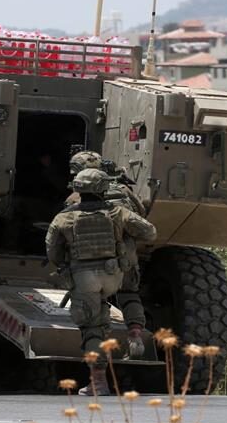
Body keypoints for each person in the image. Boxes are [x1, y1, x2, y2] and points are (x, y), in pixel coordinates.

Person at [46, 168, 157, 396]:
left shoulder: (63, 217)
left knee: (92, 328)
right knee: (127, 294)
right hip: (113, 275)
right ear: (103, 189)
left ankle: (98, 383)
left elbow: (53, 252)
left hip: (84, 279)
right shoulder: (117, 212)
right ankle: (134, 332)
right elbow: (150, 233)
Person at [65, 151, 149, 359]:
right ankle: (135, 333)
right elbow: (141, 215)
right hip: (126, 254)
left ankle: (99, 353)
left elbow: (66, 229)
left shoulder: (75, 198)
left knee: (96, 301)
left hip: (94, 260)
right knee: (129, 294)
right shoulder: (123, 190)